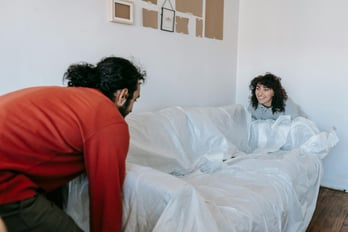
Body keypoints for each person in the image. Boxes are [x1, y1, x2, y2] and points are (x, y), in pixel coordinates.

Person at [0, 56, 146, 232]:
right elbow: (106, 198)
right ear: (123, 95)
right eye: (135, 100)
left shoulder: (73, 98)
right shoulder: (109, 119)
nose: (132, 109)